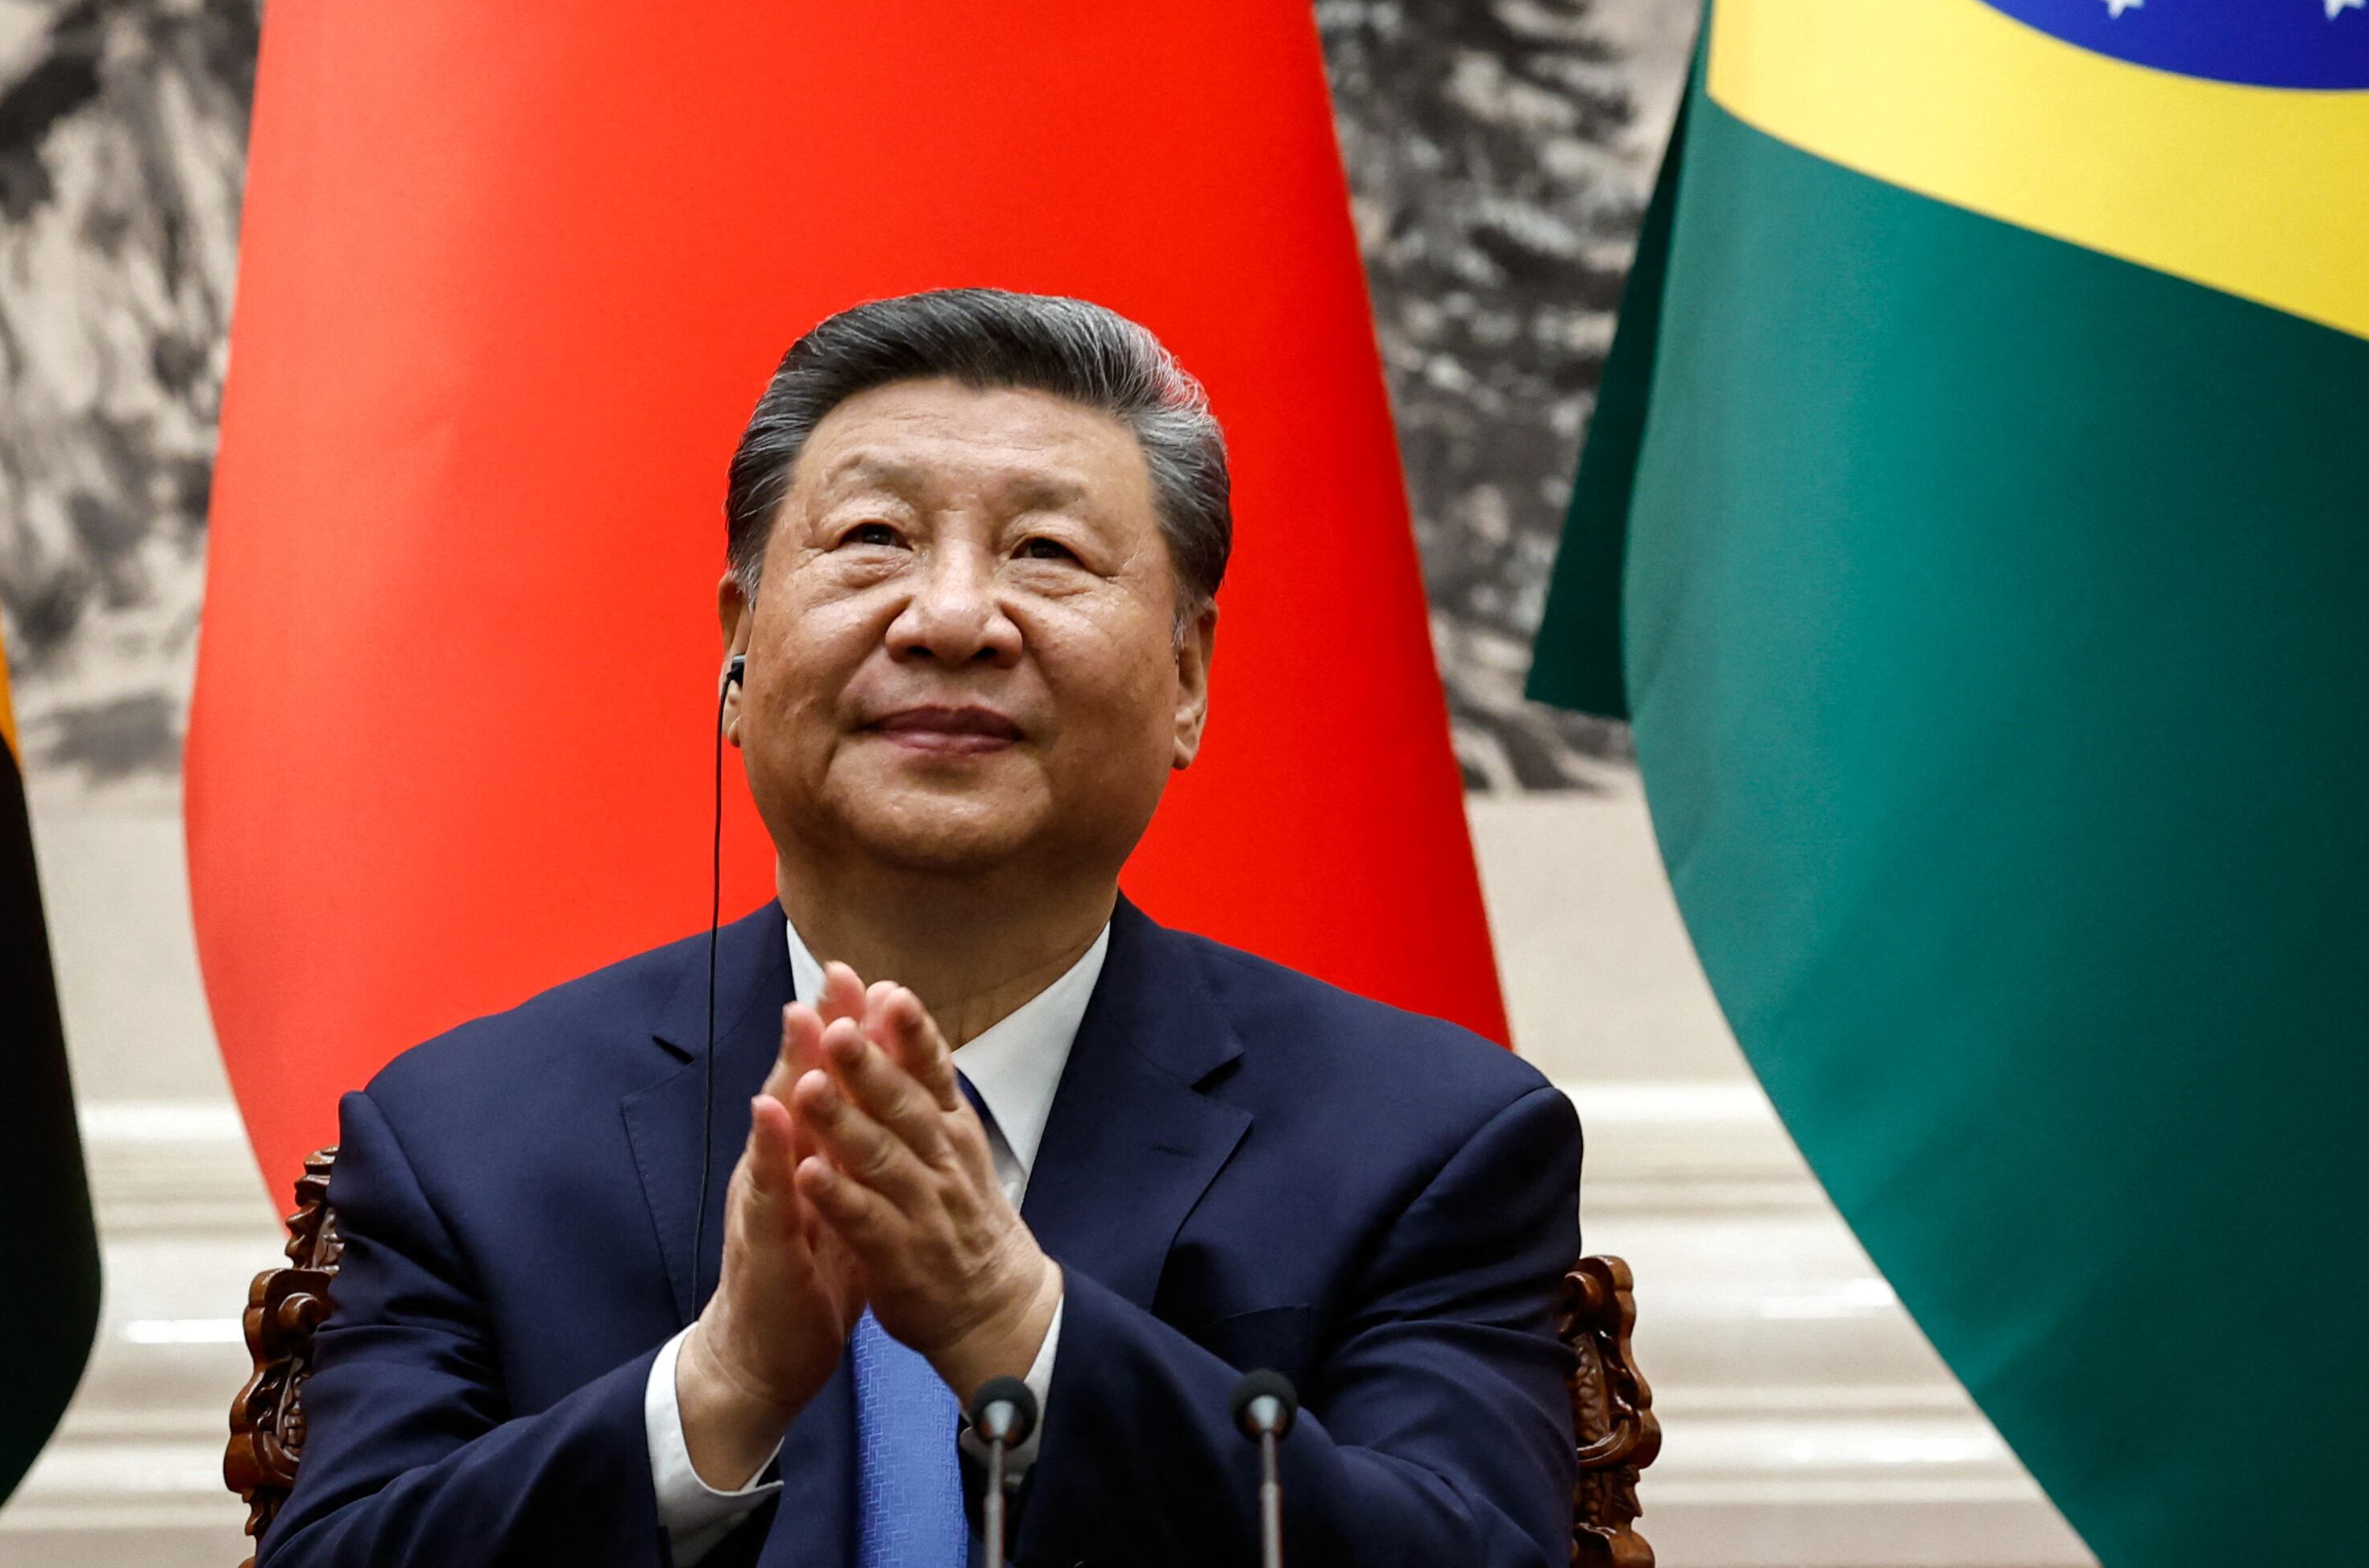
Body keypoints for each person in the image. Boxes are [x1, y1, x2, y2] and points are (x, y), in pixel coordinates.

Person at [258, 290, 1581, 1568]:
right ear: (738, 649)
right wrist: (718, 1392)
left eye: (1046, 551)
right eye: (875, 536)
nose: (951, 618)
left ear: (1186, 676)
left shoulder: (1428, 1144)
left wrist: (1023, 1328)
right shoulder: (461, 1142)